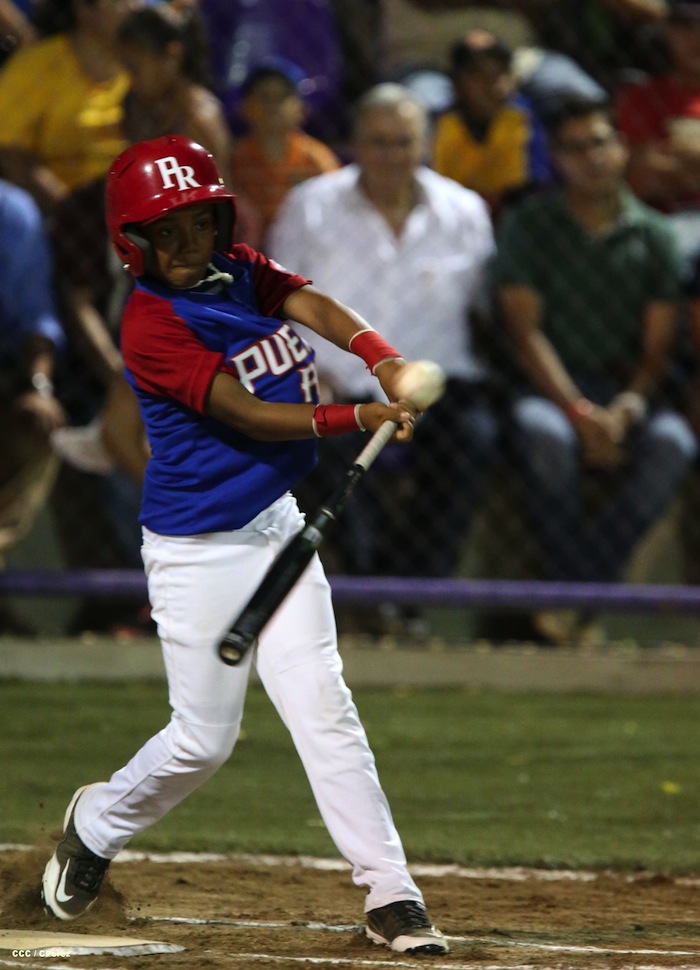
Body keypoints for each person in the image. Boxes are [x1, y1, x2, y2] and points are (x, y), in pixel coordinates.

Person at [40, 134, 449, 958]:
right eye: (171, 231)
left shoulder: (241, 270)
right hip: (196, 549)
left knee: (323, 707)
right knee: (203, 740)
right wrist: (360, 418)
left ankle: (390, 893)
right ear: (137, 244)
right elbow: (246, 414)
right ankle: (95, 822)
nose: (191, 243)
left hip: (277, 522)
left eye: (201, 221)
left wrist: (383, 361)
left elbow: (312, 305)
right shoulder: (152, 324)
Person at [268, 82, 500, 601]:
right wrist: (304, 371)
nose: (390, 155)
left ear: (425, 144)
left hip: (438, 389)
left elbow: (484, 311)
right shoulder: (310, 207)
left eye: (403, 141)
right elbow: (273, 303)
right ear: (354, 143)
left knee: (476, 439)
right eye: (377, 141)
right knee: (316, 440)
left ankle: (414, 591)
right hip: (335, 382)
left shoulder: (464, 213)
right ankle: (370, 588)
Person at [494, 95, 696, 636]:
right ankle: (577, 596)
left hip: (626, 387)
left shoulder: (655, 234)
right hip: (550, 388)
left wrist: (627, 407)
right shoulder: (531, 224)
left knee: (674, 443)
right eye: (575, 149)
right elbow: (525, 332)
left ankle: (573, 595)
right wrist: (578, 410)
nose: (592, 158)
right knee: (545, 437)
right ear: (556, 161)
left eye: (601, 143)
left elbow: (657, 347)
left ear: (623, 148)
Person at [0, 178, 66, 632]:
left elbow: (37, 315)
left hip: (5, 376)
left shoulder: (12, 209)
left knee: (42, 430)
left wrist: (40, 386)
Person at [0, 0, 135, 215]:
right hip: (61, 219)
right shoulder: (36, 66)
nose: (133, 7)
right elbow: (10, 152)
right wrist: (69, 210)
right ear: (85, 9)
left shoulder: (143, 65)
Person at [615, 0, 700, 265]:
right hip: (664, 227)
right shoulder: (641, 97)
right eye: (685, 25)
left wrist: (684, 158)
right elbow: (642, 179)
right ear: (667, 31)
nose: (696, 37)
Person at [431, 29, 550, 217]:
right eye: (478, 75)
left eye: (500, 72)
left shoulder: (522, 118)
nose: (491, 84)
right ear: (456, 84)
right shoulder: (441, 125)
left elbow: (535, 187)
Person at [230, 60, 341, 245]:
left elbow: (336, 209)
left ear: (302, 109)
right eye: (263, 96)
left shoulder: (316, 159)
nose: (272, 106)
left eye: (281, 97)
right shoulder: (235, 159)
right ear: (245, 107)